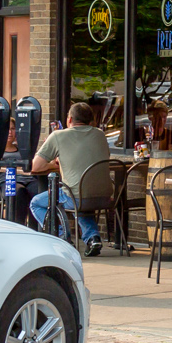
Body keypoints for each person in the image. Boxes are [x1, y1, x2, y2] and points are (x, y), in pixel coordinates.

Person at [28, 103, 113, 254]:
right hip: (106, 197)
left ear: (69, 119)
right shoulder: (100, 134)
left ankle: (63, 238)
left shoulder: (59, 136)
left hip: (77, 197)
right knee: (77, 197)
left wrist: (52, 164)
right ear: (91, 121)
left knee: (36, 203)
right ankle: (93, 238)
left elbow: (35, 167)